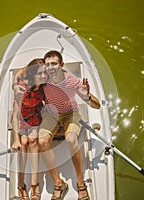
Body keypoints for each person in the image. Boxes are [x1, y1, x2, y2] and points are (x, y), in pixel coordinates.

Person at [38, 50, 100, 200]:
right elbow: (26, 72)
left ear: (62, 65)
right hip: (51, 115)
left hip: (70, 115)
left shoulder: (72, 82)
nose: (51, 68)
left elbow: (96, 106)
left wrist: (86, 96)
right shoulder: (43, 79)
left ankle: (80, 182)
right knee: (42, 142)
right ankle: (59, 183)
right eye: (47, 65)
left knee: (71, 140)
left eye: (54, 64)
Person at [11, 58, 47, 200]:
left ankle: (34, 183)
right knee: (23, 143)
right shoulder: (22, 89)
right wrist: (16, 140)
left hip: (34, 115)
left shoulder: (44, 85)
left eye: (45, 73)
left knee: (32, 141)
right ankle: (20, 184)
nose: (44, 76)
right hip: (21, 117)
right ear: (32, 75)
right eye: (40, 74)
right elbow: (15, 116)